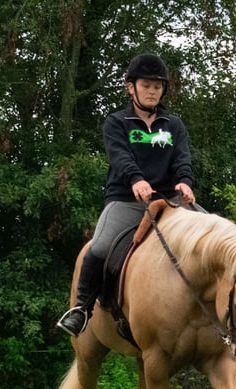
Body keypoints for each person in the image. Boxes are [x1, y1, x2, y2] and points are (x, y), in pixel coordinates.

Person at [57, 53, 196, 337]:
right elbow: (120, 157)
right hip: (126, 198)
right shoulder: (117, 122)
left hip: (171, 201)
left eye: (158, 86)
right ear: (130, 86)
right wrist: (136, 179)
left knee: (214, 234)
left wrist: (184, 181)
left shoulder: (174, 125)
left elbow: (182, 158)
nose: (153, 91)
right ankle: (82, 309)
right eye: (146, 85)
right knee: (99, 247)